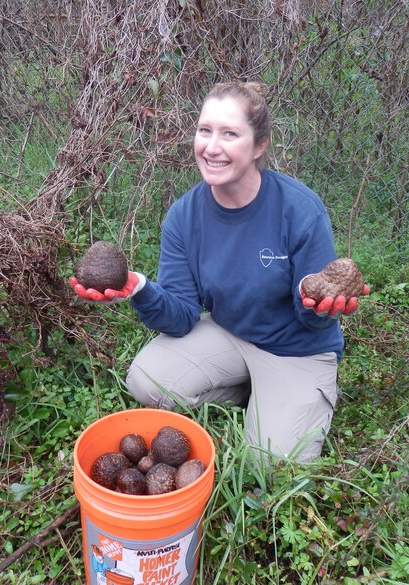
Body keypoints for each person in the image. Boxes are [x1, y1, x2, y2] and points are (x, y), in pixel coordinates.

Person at [69, 81, 370, 462]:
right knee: (146, 383)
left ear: (259, 145)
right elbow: (180, 317)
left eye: (229, 134)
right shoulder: (184, 216)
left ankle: (282, 400)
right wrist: (138, 288)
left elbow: (312, 314)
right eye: (205, 130)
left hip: (296, 350)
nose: (212, 147)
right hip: (231, 334)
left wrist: (320, 307)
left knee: (272, 461)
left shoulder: (299, 210)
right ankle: (250, 391)